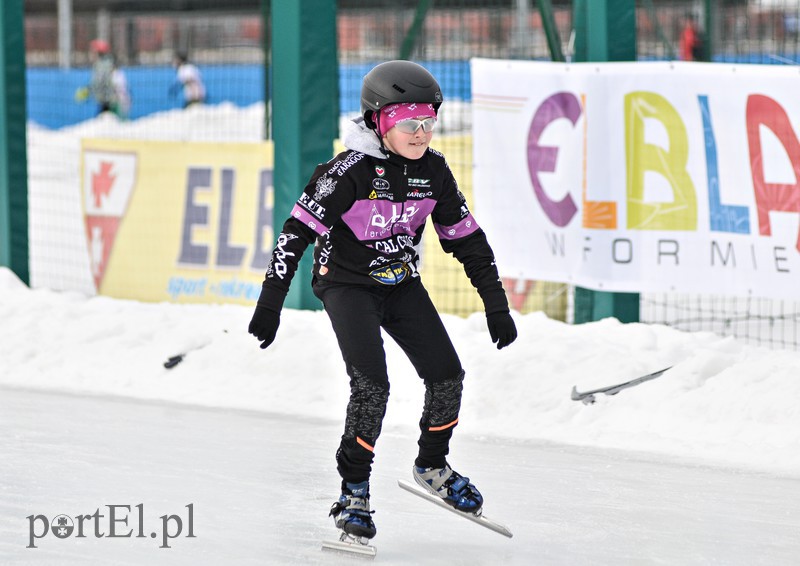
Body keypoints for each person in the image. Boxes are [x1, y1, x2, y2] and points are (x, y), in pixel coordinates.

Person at [248, 60, 518, 542]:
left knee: (448, 376)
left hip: (400, 282)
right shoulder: (346, 172)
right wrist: (271, 301)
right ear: (377, 121)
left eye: (428, 121)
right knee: (372, 385)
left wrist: (495, 304)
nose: (420, 133)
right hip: (346, 285)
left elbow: (468, 241)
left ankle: (432, 465)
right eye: (407, 122)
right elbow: (295, 232)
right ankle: (353, 490)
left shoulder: (434, 171)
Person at [75, 39, 128, 119]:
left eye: (93, 51)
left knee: (108, 122)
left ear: (98, 52)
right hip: (111, 101)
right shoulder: (108, 63)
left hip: (110, 103)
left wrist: (88, 91)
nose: (91, 54)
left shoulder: (102, 65)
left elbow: (99, 83)